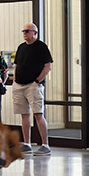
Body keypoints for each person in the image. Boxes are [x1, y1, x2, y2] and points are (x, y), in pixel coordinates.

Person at [10, 22, 54, 154]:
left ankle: (45, 145)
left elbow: (48, 66)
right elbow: (17, 64)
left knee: (38, 114)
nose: (25, 33)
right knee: (24, 114)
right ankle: (26, 143)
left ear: (35, 33)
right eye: (24, 31)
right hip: (19, 85)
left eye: (28, 31)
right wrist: (14, 80)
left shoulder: (41, 47)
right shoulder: (21, 47)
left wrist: (37, 81)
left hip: (33, 85)